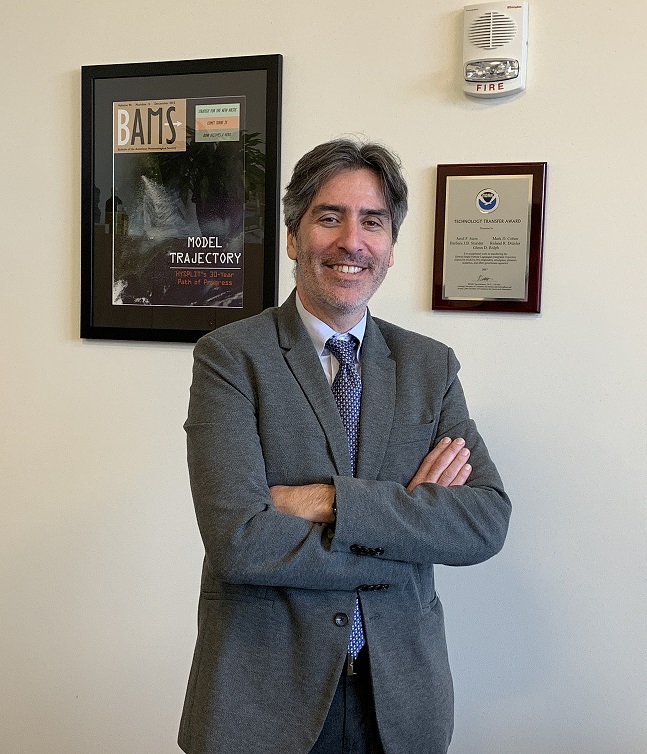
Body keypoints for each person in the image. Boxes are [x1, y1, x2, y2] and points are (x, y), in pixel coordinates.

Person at [178, 139, 511, 754]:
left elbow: (483, 523)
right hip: (263, 702)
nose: (351, 241)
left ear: (389, 246)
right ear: (293, 235)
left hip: (401, 706)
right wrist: (406, 529)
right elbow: (239, 541)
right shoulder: (230, 358)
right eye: (329, 217)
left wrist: (329, 500)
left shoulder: (428, 367)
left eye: (373, 221)